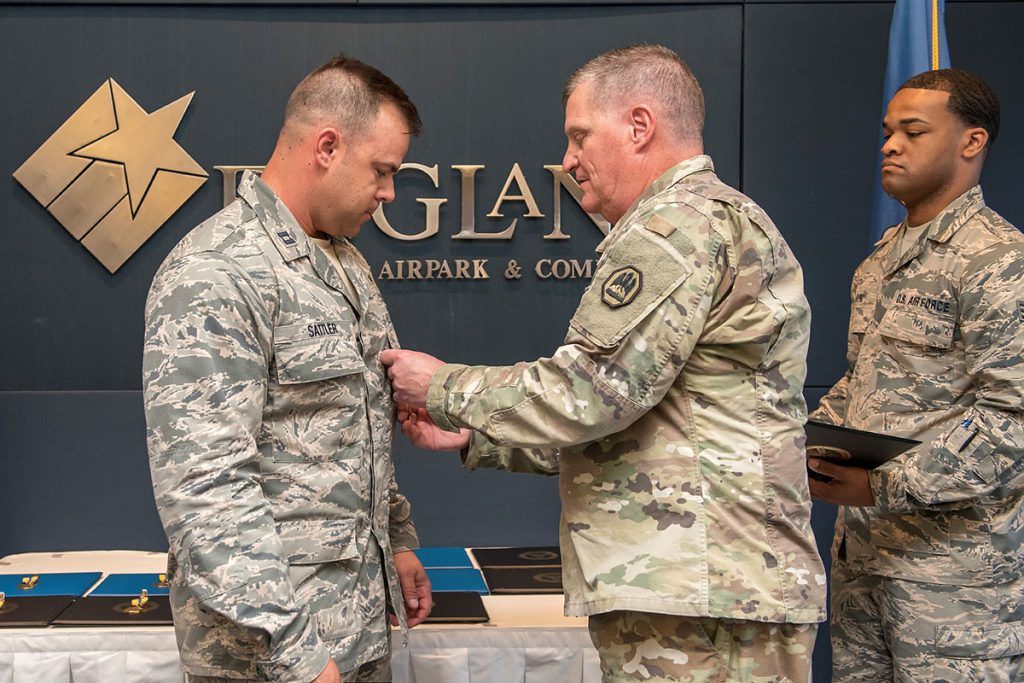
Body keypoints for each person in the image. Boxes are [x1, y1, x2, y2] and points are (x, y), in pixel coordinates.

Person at [382, 44, 826, 682]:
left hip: (704, 588)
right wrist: (476, 435)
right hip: (708, 580)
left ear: (639, 127)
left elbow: (596, 393)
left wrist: (444, 385)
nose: (568, 162)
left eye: (579, 136)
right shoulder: (704, 220)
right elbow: (648, 425)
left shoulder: (674, 227)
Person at [143, 54, 430, 683]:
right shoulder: (218, 270)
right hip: (270, 655)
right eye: (382, 171)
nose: (388, 194)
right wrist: (296, 651)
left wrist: (397, 539)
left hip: (356, 628)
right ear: (327, 146)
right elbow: (205, 487)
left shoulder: (346, 264)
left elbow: (357, 429)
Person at [807, 68, 1024, 681]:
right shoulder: (880, 260)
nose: (890, 144)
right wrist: (809, 441)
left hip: (955, 588)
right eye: (887, 131)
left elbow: (1011, 424)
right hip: (864, 564)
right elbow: (861, 383)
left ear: (971, 142)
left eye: (913, 131)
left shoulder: (1000, 262)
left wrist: (879, 487)